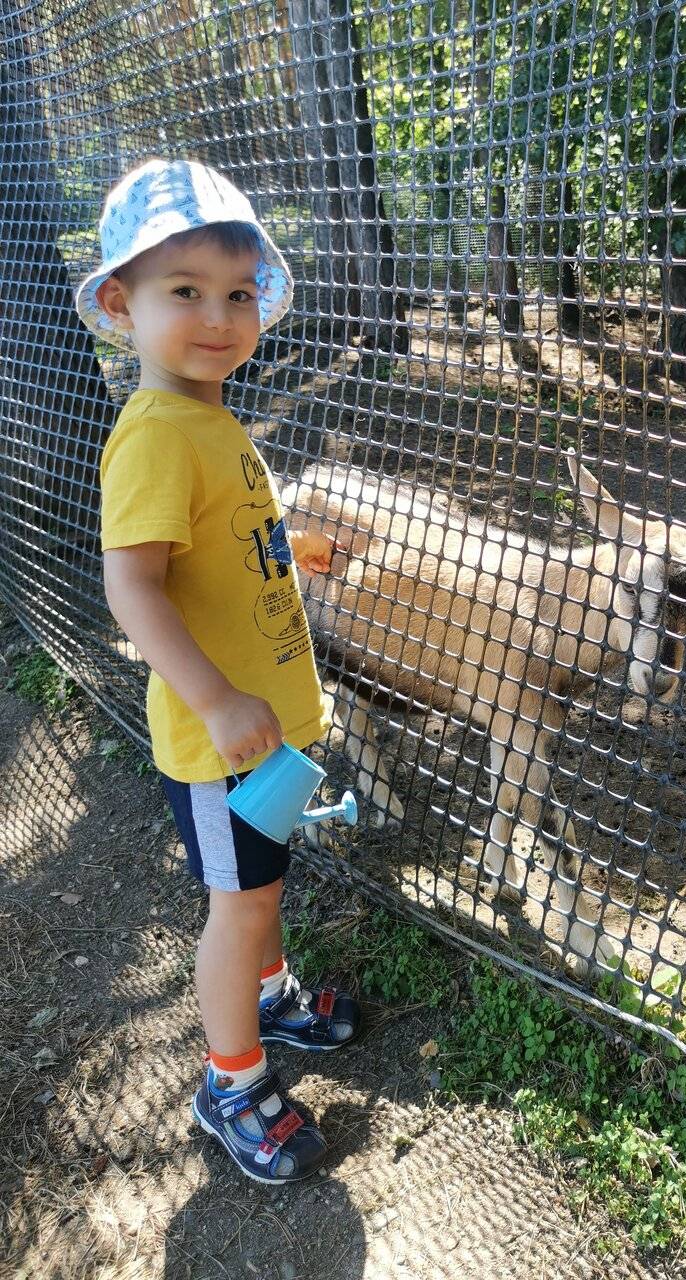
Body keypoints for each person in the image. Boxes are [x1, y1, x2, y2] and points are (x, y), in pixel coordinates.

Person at [76, 158, 356, 1185]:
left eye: (237, 292)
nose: (219, 315)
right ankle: (231, 1082)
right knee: (235, 905)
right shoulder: (153, 433)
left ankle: (272, 994)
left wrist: (299, 544)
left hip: (268, 732)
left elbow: (225, 539)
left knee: (261, 888)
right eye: (183, 290)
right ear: (121, 304)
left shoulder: (211, 415)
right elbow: (133, 588)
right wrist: (219, 697)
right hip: (221, 739)